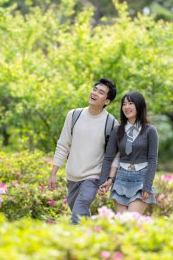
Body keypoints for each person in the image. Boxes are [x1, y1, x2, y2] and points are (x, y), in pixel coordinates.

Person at [48, 78, 120, 224]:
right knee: (79, 214)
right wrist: (53, 173)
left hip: (93, 177)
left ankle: (74, 244)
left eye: (101, 92)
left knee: (78, 212)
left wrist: (109, 179)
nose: (94, 93)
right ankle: (91, 238)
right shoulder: (74, 115)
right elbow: (63, 144)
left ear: (106, 101)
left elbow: (115, 155)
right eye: (94, 89)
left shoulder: (111, 123)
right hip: (72, 176)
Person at [98, 91, 158, 215]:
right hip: (121, 179)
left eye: (131, 103)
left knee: (131, 221)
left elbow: (152, 160)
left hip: (141, 179)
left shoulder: (150, 131)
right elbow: (108, 158)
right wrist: (103, 181)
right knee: (121, 222)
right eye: (124, 104)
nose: (126, 107)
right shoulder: (117, 130)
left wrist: (147, 186)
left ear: (139, 106)